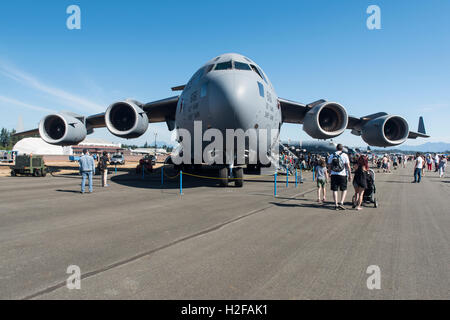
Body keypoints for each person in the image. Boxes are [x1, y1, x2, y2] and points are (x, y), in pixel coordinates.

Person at [327, 144, 352, 211]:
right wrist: (350, 175)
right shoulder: (345, 155)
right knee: (344, 189)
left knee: (335, 190)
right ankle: (341, 202)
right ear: (342, 148)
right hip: (342, 174)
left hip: (334, 174)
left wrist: (329, 173)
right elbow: (348, 166)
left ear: (336, 148)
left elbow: (329, 165)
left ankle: (336, 204)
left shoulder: (332, 155)